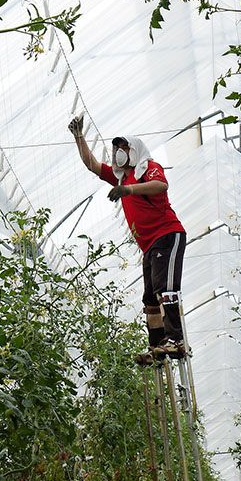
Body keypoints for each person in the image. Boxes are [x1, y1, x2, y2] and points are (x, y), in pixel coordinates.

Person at [68, 115, 187, 362]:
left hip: (167, 234)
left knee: (165, 288)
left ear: (134, 150)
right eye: (116, 148)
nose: (119, 152)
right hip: (149, 244)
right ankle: (158, 347)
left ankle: (176, 340)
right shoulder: (121, 176)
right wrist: (79, 137)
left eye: (124, 147)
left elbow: (160, 186)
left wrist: (130, 190)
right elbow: (92, 165)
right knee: (150, 298)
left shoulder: (148, 168)